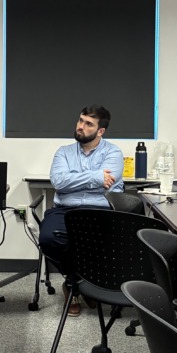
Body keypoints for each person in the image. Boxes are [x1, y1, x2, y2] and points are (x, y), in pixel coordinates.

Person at [38, 105, 124, 315]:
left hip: (100, 211)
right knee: (49, 239)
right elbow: (59, 182)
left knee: (108, 242)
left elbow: (110, 183)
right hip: (65, 211)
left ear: (100, 131)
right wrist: (95, 177)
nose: (81, 126)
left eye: (88, 124)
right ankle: (78, 283)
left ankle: (77, 286)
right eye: (80, 121)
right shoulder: (64, 152)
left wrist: (73, 181)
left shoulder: (113, 152)